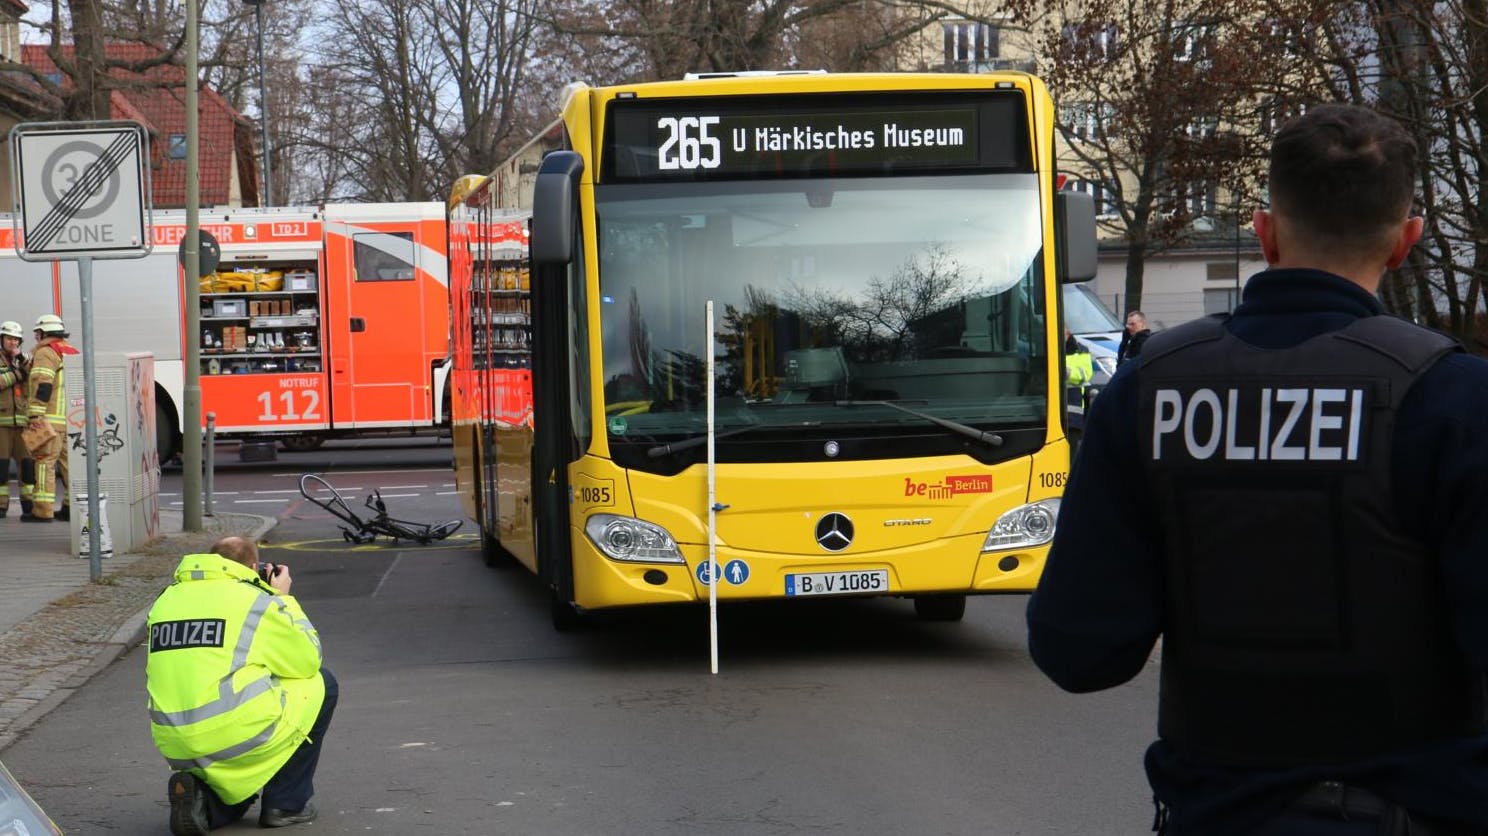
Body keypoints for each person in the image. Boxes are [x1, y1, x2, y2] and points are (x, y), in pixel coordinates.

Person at [1027, 102, 1488, 836]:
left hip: (1215, 813)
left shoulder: (1147, 391)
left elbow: (1077, 651)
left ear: (1265, 232)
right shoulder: (1455, 399)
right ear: (1406, 242)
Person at [146, 536, 336, 834]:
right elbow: (308, 659)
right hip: (231, 733)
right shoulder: (255, 601)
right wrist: (282, 599)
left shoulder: (165, 600)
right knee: (323, 683)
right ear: (253, 566)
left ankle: (205, 804)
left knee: (234, 706)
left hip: (175, 742)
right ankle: (286, 804)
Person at [24, 314, 74, 522]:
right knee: (70, 467)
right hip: (71, 421)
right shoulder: (70, 351)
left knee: (45, 464)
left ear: (44, 333)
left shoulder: (46, 352)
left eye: (38, 333)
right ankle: (71, 508)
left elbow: (42, 384)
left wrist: (35, 414)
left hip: (50, 420)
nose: (36, 337)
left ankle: (43, 511)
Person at [0, 320, 34, 518]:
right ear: (2, 339)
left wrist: (21, 361)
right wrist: (17, 375)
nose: (12, 342)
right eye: (9, 338)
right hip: (2, 423)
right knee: (1, 466)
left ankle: (28, 505)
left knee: (27, 466)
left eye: (16, 339)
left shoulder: (24, 359)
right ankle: (1, 505)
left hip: (22, 423)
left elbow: (33, 375)